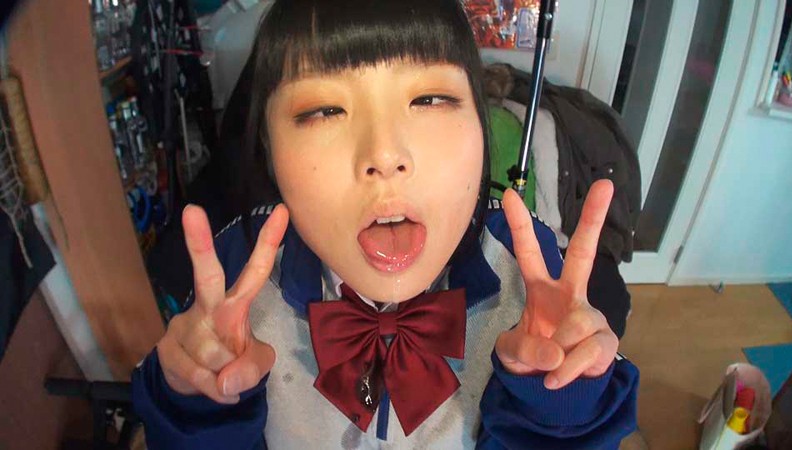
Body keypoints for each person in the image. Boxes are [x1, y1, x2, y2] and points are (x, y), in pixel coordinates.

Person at [132, 0, 639, 448]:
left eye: (429, 99)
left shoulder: (527, 276)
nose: (384, 153)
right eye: (325, 110)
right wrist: (200, 407)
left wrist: (557, 404)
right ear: (268, 146)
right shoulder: (237, 276)